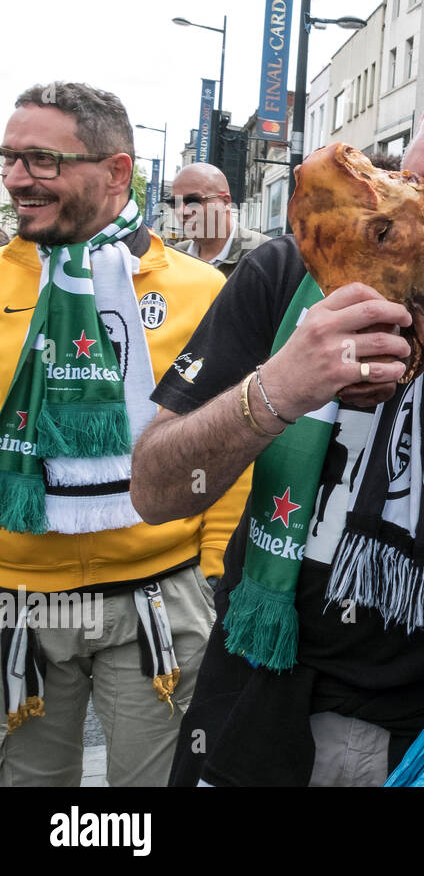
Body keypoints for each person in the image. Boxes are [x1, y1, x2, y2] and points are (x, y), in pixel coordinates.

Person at [129, 47, 424, 786]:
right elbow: (157, 489)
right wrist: (278, 390)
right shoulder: (288, 272)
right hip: (262, 706)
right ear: (419, 129)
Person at [0, 82, 249, 786]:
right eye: (10, 158)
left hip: (158, 601)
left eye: (42, 160)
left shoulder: (203, 289)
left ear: (115, 172)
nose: (18, 177)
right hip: (17, 602)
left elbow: (233, 444)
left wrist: (208, 574)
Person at [169, 163, 269, 276]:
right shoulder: (174, 255)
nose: (182, 211)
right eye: (174, 203)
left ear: (225, 201)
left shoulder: (265, 253)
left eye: (193, 201)